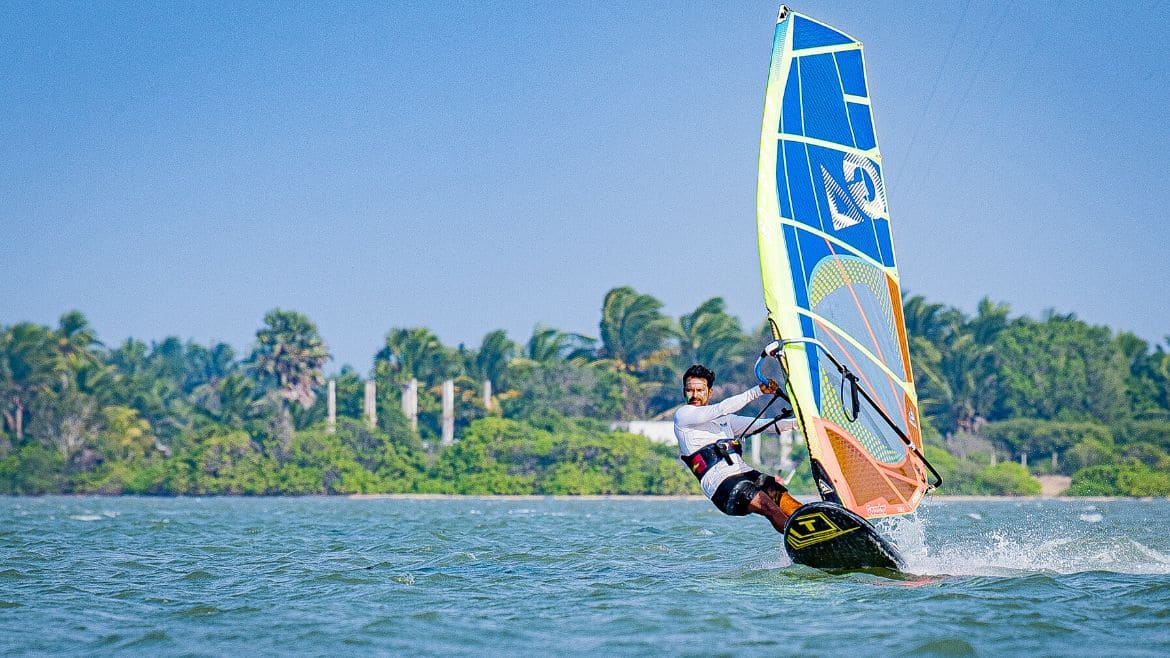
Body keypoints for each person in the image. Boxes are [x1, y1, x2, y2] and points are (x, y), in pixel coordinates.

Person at [675, 364, 803, 534]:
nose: (695, 395)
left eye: (700, 390)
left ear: (710, 392)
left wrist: (800, 423)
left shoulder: (727, 421)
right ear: (685, 391)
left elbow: (767, 425)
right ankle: (801, 540)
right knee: (767, 505)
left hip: (745, 473)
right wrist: (757, 391)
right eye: (690, 390)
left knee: (782, 497)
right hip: (721, 486)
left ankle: (819, 528)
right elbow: (721, 408)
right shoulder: (683, 416)